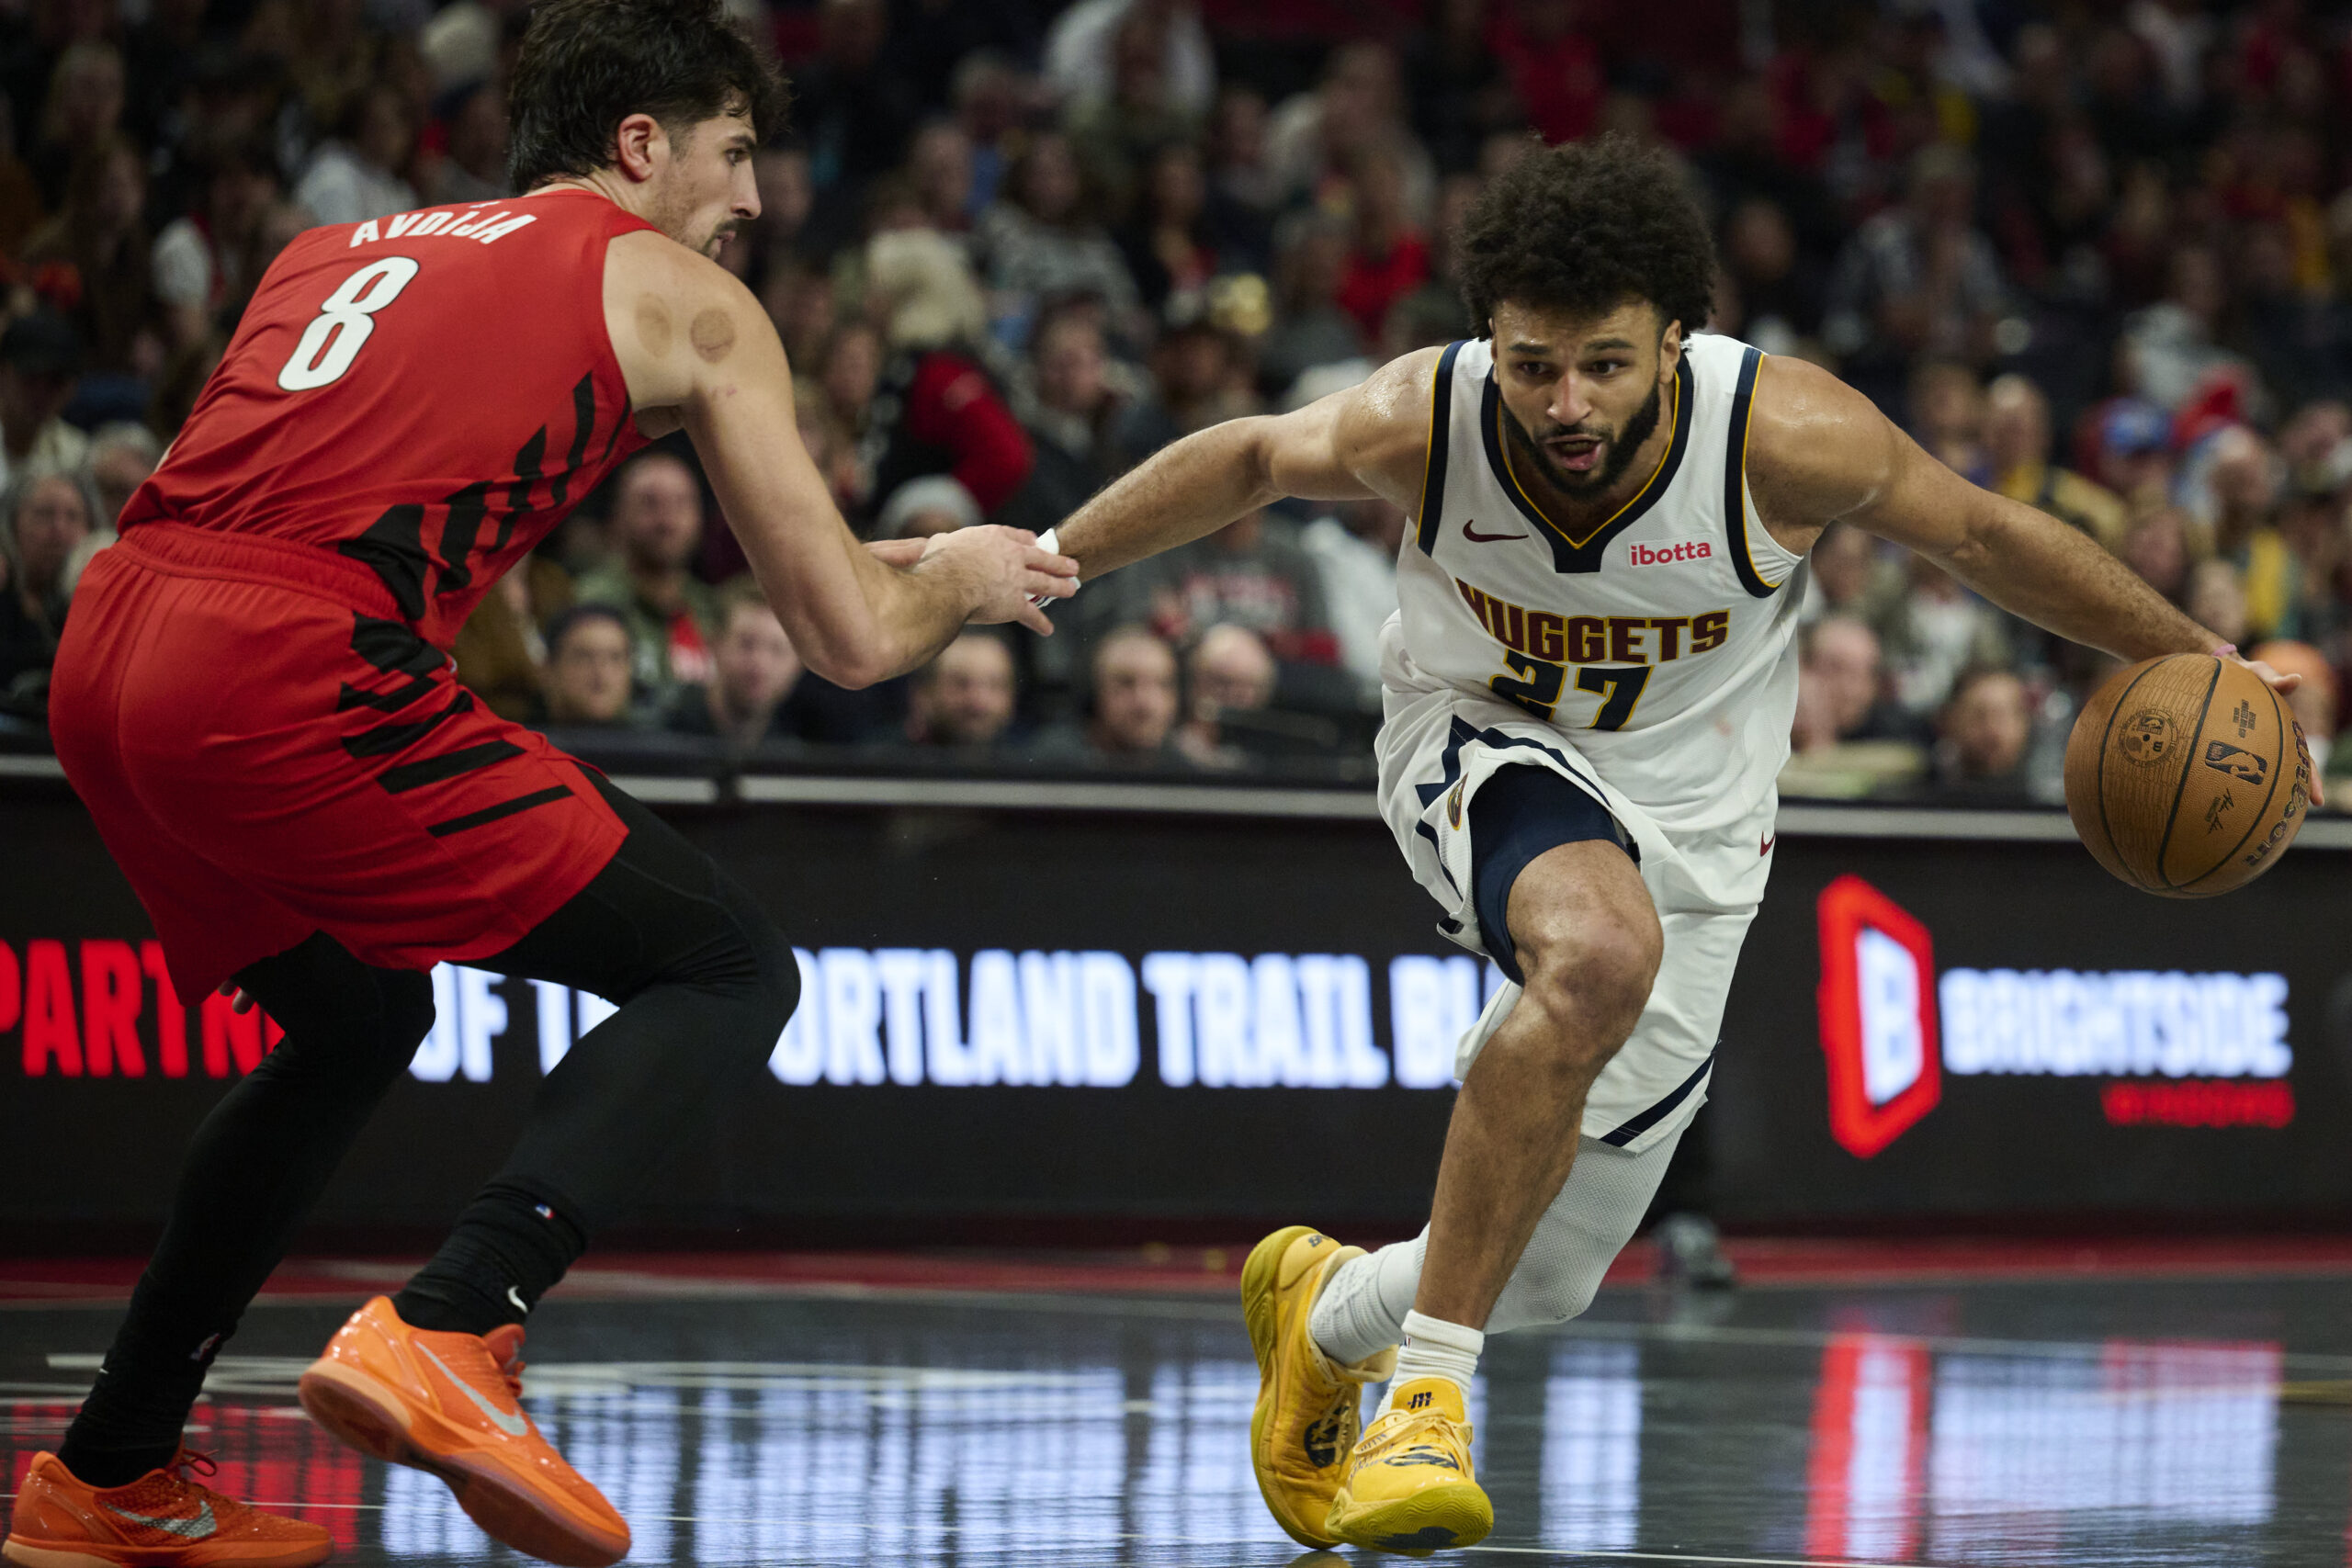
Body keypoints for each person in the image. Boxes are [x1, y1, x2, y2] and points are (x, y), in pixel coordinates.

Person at [1036, 133, 2310, 1554]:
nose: (1564, 402)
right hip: (1477, 740)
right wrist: (1046, 559)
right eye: (1531, 364)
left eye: (1602, 363)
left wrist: (2208, 654)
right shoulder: (1429, 420)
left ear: (1675, 342)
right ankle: (1426, 1405)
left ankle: (1326, 1312)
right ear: (1489, 345)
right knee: (1595, 951)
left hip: (1700, 823)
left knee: (1555, 1265)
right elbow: (1254, 460)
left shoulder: (1786, 436)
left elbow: (1991, 537)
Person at [19, 7, 1073, 1568]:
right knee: (722, 964)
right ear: (642, 145)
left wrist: (867, 564)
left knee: (357, 1018)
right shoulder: (684, 292)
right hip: (290, 664)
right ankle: (456, 1320)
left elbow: (374, 454)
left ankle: (108, 1470)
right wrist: (968, 578)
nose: (757, 203)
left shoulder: (336, 242)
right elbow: (848, 643)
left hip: (111, 639)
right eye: (734, 154)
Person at [571, 449, 722, 692]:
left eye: (681, 504)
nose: (667, 522)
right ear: (618, 516)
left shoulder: (713, 611)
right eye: (649, 504)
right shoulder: (586, 603)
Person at [1029, 623, 1186, 764]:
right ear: (1094, 691)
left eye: (1163, 684)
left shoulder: (1189, 774)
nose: (1145, 703)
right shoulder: (1047, 767)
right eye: (1126, 683)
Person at [533, 603, 639, 729]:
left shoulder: (655, 743)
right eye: (584, 657)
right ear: (549, 669)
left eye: (615, 658)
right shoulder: (516, 743)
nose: (601, 672)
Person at [906, 630, 1018, 749]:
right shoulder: (886, 757)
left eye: (995, 685)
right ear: (923, 693)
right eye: (960, 684)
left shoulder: (1030, 760)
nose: (979, 702)